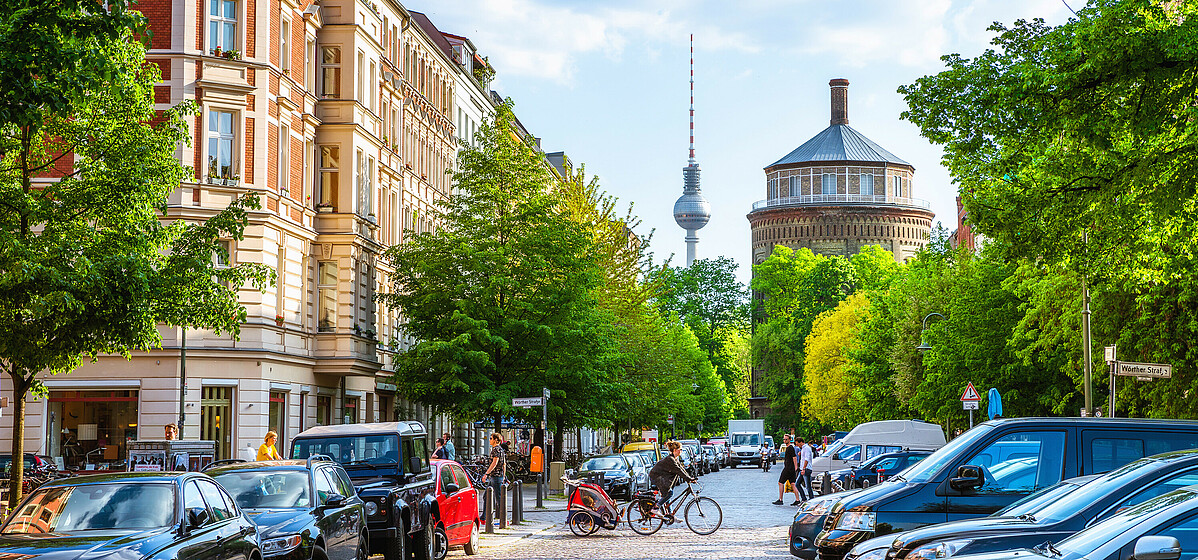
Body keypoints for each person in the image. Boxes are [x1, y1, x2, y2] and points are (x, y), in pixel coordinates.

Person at [648, 441, 696, 516]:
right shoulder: (670, 459)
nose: (681, 451)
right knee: (669, 493)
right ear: (674, 450)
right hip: (656, 476)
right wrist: (688, 479)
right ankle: (655, 508)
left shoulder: (675, 459)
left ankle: (670, 515)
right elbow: (678, 470)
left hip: (662, 477)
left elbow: (682, 469)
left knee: (667, 494)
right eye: (680, 449)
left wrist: (690, 478)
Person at [483, 432, 507, 517]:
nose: (489, 440)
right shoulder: (501, 450)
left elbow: (494, 462)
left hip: (495, 476)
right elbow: (504, 464)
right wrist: (504, 476)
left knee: (498, 498)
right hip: (497, 476)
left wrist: (486, 473)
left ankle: (503, 518)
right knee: (487, 496)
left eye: (491, 438)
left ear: (496, 440)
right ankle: (485, 516)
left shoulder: (495, 449)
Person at [774, 434, 801, 505]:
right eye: (784, 439)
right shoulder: (788, 448)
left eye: (786, 439)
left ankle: (780, 499)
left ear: (789, 440)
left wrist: (796, 467)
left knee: (780, 482)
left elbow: (794, 457)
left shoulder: (790, 448)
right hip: (790, 469)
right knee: (792, 484)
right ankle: (797, 499)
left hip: (788, 469)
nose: (785, 440)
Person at [797, 436, 814, 501]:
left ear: (801, 442)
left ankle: (811, 499)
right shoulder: (803, 449)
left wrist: (804, 468)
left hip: (806, 469)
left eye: (798, 444)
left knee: (808, 486)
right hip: (803, 469)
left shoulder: (806, 448)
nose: (798, 446)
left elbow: (806, 459)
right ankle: (804, 498)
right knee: (797, 484)